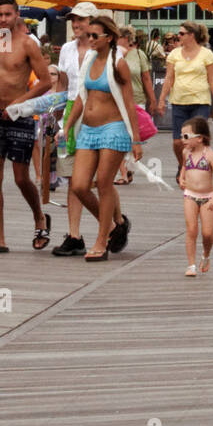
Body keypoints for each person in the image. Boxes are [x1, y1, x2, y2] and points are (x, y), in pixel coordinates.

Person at [0, 0, 53, 254]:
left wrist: (19, 104)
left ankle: (39, 218)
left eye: (7, 15)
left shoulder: (28, 44)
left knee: (21, 177)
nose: (2, 20)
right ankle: (0, 238)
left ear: (17, 15)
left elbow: (45, 82)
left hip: (19, 114)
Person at [66, 16, 143, 261]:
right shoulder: (88, 59)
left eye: (94, 36)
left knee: (103, 183)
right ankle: (114, 225)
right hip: (88, 130)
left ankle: (102, 241)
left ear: (108, 38)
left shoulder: (118, 64)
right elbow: (81, 95)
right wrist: (67, 125)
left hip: (114, 128)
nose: (89, 39)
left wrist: (136, 139)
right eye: (88, 35)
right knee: (79, 185)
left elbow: (129, 103)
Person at [50, 3, 97, 256]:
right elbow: (63, 84)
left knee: (99, 179)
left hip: (96, 111)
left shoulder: (102, 47)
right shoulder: (67, 49)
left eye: (81, 20)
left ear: (93, 21)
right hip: (69, 110)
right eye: (73, 20)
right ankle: (74, 234)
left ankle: (114, 225)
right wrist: (55, 117)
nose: (76, 24)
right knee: (70, 176)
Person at [155, 20, 213, 181]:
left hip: (200, 101)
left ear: (191, 35)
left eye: (181, 34)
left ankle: (199, 169)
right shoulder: (174, 55)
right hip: (179, 101)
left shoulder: (207, 55)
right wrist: (161, 100)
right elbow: (169, 78)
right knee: (178, 142)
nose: (178, 37)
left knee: (198, 138)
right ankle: (183, 165)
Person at [178, 116, 213, 276]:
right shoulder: (186, 152)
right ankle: (191, 265)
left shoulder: (209, 155)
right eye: (181, 136)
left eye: (186, 136)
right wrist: (181, 177)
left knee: (207, 233)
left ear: (199, 138)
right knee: (191, 230)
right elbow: (184, 167)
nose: (182, 139)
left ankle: (206, 254)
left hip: (207, 197)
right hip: (190, 195)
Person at [115, 25, 158, 185]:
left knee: (132, 135)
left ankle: (128, 167)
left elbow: (146, 78)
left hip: (137, 99)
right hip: (118, 100)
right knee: (121, 135)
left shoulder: (139, 55)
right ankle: (124, 172)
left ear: (126, 38)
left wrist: (152, 99)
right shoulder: (113, 55)